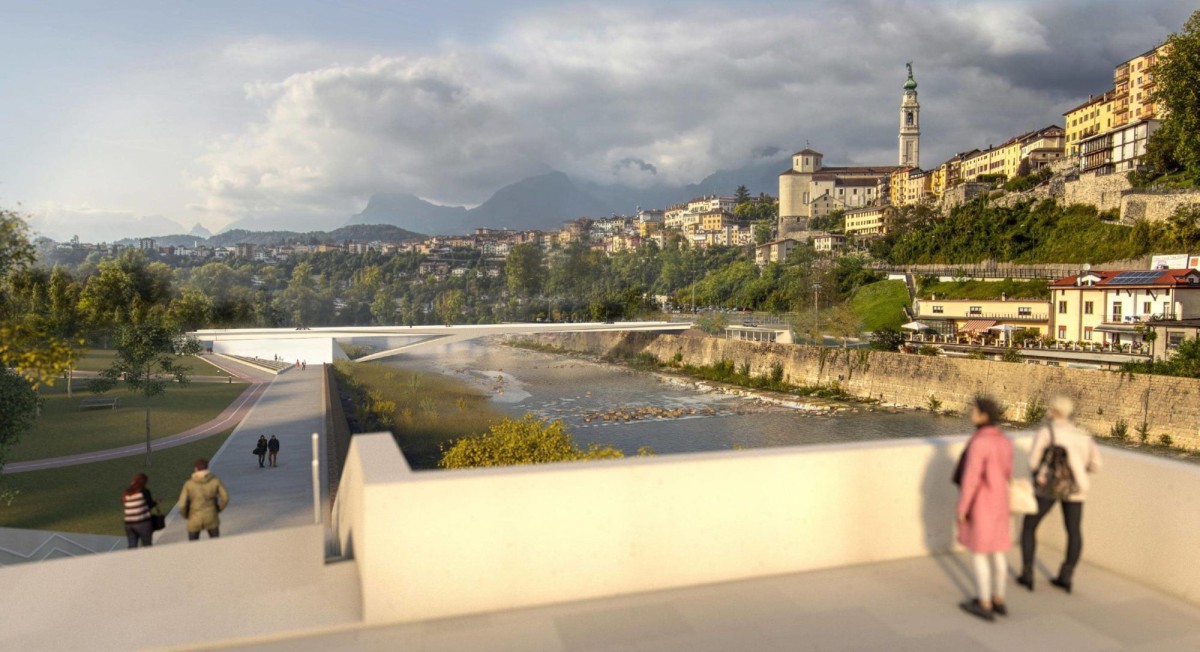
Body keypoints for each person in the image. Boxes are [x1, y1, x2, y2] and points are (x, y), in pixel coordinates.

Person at [1018, 396, 1102, 594]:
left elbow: (1032, 463)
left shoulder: (1047, 432)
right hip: (1076, 488)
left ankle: (1027, 573)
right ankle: (1066, 576)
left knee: (1029, 526)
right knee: (1073, 531)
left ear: (1053, 411)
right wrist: (1076, 472)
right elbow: (1096, 465)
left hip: (1048, 487)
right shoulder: (1083, 434)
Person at [955, 395, 1014, 622]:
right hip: (1001, 500)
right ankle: (998, 599)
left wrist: (962, 507)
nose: (971, 414)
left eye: (974, 411)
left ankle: (984, 602)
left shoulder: (979, 442)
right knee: (998, 552)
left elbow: (971, 478)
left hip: (981, 502)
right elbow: (1008, 472)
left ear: (984, 415)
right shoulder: (1004, 441)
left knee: (979, 553)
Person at [178, 458, 229, 541]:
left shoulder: (189, 484)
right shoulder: (215, 481)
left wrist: (186, 515)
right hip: (211, 516)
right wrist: (218, 509)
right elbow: (225, 497)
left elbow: (182, 504)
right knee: (216, 544)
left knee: (193, 547)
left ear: (196, 469)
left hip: (194, 518)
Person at [122, 473, 157, 549]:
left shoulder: (127, 493)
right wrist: (156, 502)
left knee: (132, 546)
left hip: (129, 523)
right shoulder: (144, 492)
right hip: (142, 522)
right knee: (147, 545)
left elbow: (125, 503)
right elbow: (149, 505)